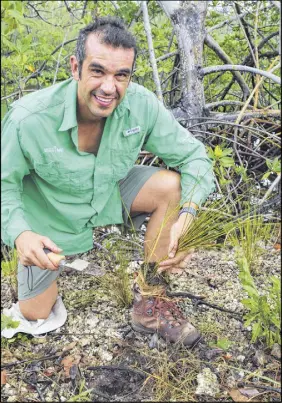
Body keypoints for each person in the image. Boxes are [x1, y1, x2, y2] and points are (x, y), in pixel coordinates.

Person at [1, 16, 214, 345]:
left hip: (107, 195)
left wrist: (187, 213)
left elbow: (194, 158)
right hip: (48, 220)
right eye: (98, 71)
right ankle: (33, 283)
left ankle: (150, 297)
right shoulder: (28, 119)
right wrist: (20, 234)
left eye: (121, 76)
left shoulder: (140, 106)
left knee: (172, 186)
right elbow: (4, 185)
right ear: (76, 67)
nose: (108, 87)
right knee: (37, 315)